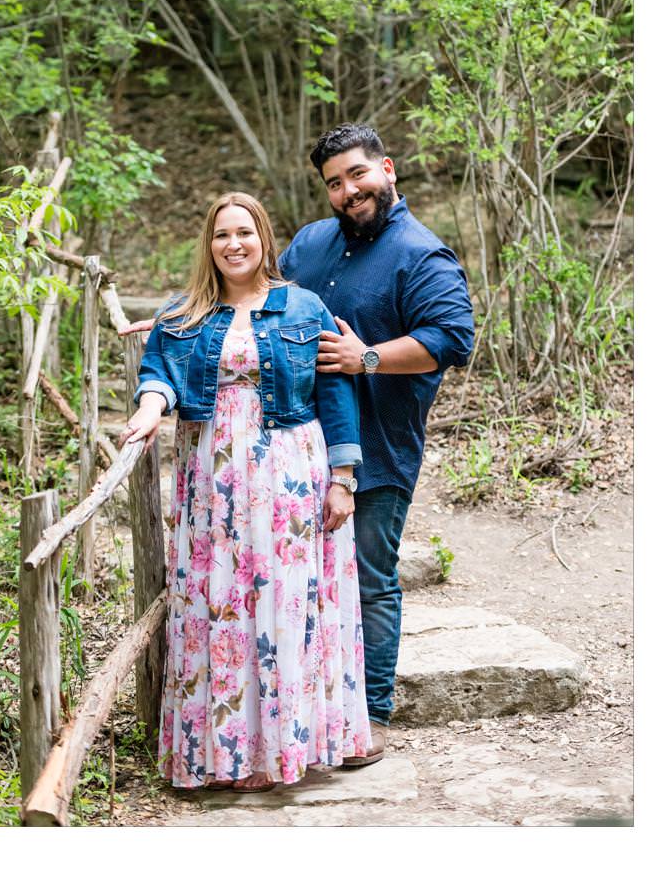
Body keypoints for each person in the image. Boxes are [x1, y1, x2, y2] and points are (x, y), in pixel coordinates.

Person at [122, 192, 372, 791]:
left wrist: (342, 480)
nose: (233, 244)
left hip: (290, 471)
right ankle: (231, 752)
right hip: (213, 476)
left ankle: (287, 749)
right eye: (220, 235)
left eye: (244, 232)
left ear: (263, 238)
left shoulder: (305, 308)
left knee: (285, 602)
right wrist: (152, 407)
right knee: (224, 604)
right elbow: (158, 372)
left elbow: (333, 394)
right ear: (208, 246)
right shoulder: (183, 315)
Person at [280, 123, 476, 762]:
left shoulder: (421, 255)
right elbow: (256, 301)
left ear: (387, 169)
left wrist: (366, 357)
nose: (347, 191)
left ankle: (373, 711)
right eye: (334, 183)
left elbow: (451, 338)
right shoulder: (309, 244)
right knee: (299, 576)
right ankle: (310, 702)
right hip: (292, 446)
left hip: (379, 446)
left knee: (369, 576)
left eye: (357, 175)